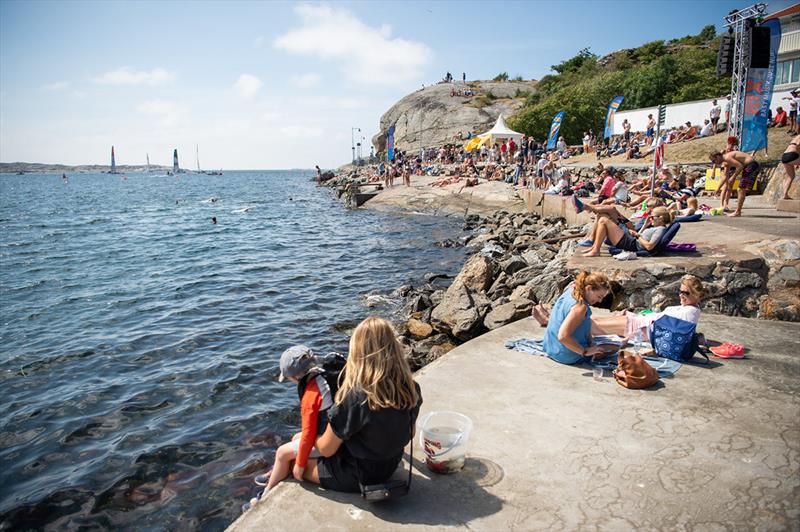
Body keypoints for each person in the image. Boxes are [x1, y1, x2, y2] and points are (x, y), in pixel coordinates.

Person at [291, 317, 421, 493]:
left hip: (357, 474)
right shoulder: (411, 388)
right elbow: (410, 432)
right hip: (390, 465)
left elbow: (327, 449)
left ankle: (261, 493)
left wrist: (311, 435)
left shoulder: (353, 399)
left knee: (293, 460)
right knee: (298, 441)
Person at [245, 347, 345, 510]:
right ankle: (275, 473)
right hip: (339, 431)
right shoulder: (328, 374)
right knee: (294, 439)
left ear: (294, 377)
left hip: (332, 441)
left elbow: (308, 434)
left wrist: (299, 465)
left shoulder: (311, 394)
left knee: (282, 453)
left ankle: (264, 497)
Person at [591, 275, 707, 338]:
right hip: (639, 322)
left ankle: (573, 336)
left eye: (686, 293)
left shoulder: (690, 312)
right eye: (680, 291)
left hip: (640, 328)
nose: (681, 295)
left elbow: (680, 335)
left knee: (593, 325)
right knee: (595, 320)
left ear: (696, 294)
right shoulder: (689, 308)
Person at [542, 271, 611, 365]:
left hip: (550, 348)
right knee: (611, 349)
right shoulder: (580, 307)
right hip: (566, 355)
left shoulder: (572, 290)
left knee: (602, 344)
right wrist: (585, 351)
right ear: (589, 288)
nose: (600, 301)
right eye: (599, 296)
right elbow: (562, 336)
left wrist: (591, 341)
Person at [577, 204, 674, 257]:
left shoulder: (660, 229)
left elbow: (649, 246)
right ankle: (594, 247)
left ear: (661, 218)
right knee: (603, 215)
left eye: (652, 217)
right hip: (631, 239)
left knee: (603, 220)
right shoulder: (656, 227)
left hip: (631, 244)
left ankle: (595, 250)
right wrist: (645, 225)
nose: (650, 218)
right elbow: (643, 238)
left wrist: (637, 235)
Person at [709, 150, 760, 217]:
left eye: (714, 161)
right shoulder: (726, 161)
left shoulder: (727, 157)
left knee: (741, 189)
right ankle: (738, 211)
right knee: (741, 189)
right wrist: (718, 188)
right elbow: (725, 176)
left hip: (752, 165)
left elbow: (740, 166)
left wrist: (733, 177)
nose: (715, 163)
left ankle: (738, 212)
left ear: (718, 157)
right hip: (750, 166)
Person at [780, 134, 800, 200]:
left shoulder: (796, 137)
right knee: (790, 176)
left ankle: (785, 194)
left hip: (784, 156)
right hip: (792, 155)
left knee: (791, 176)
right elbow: (798, 144)